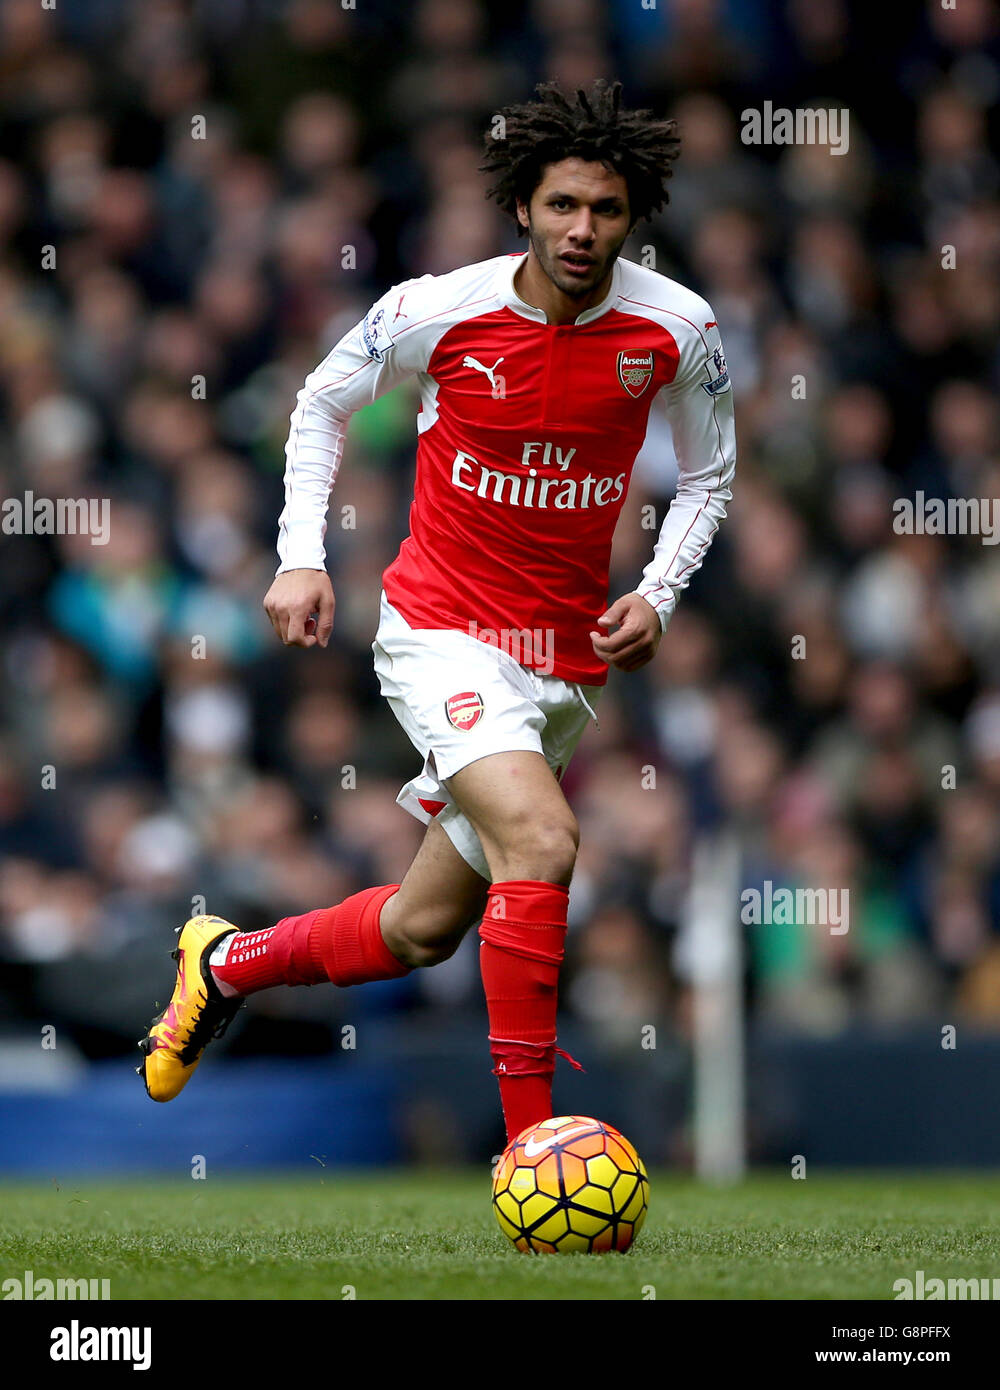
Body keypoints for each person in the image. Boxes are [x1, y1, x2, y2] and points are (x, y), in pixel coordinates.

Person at [138, 79, 736, 1145]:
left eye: (603, 210)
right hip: (439, 630)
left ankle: (221, 962)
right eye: (562, 206)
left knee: (420, 930)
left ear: (631, 216)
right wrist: (298, 558)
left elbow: (708, 477)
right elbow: (320, 401)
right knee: (545, 842)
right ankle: (533, 1152)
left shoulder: (677, 329)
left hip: (562, 667)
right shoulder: (436, 309)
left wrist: (655, 591)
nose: (582, 230)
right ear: (523, 206)